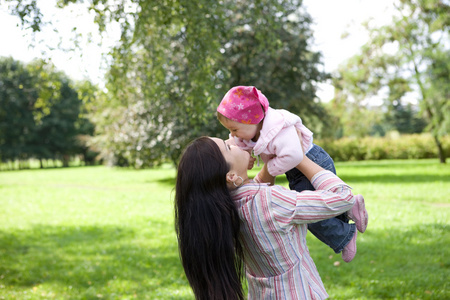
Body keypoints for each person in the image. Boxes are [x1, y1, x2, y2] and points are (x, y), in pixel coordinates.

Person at [174, 136, 365, 300]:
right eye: (228, 147)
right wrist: (298, 157)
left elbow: (255, 189)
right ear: (231, 176)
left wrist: (272, 161)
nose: (234, 142)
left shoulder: (225, 208)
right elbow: (343, 198)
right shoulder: (272, 201)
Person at [216, 85, 368, 262]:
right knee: (317, 205)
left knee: (311, 215)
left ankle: (344, 236)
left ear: (253, 120)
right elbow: (234, 144)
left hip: (312, 162)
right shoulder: (250, 131)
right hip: (295, 171)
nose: (233, 135)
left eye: (234, 129)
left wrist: (270, 167)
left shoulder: (279, 128)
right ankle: (352, 206)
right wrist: (241, 154)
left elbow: (295, 155)